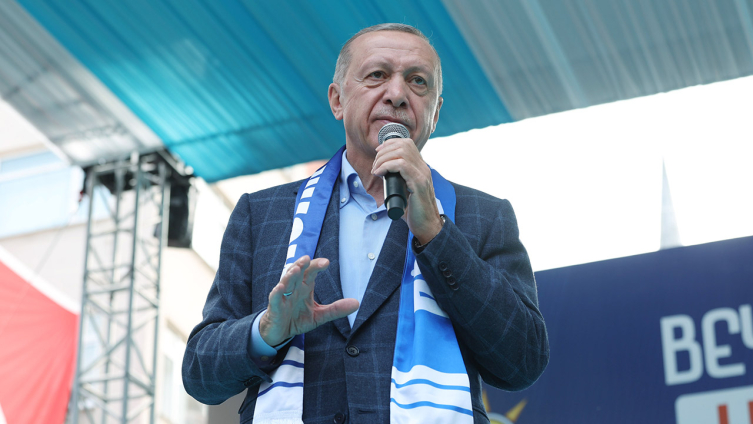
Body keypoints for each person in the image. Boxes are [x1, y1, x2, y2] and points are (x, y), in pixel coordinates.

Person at [182, 23, 549, 424]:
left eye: (418, 81)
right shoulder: (263, 214)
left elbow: (523, 361)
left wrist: (437, 235)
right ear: (337, 100)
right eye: (377, 75)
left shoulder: (484, 216)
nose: (397, 94)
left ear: (435, 113)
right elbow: (200, 374)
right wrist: (266, 331)